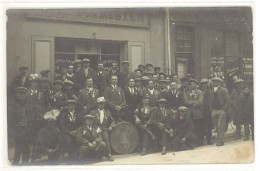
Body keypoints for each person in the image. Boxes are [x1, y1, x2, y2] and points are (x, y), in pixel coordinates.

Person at [57, 99, 83, 164]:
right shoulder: (63, 114)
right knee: (69, 141)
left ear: (74, 106)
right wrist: (69, 132)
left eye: (72, 105)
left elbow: (81, 124)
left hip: (76, 132)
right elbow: (61, 125)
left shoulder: (78, 114)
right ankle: (70, 159)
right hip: (67, 133)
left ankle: (78, 157)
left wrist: (76, 131)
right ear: (67, 106)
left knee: (79, 139)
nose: (71, 107)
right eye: (69, 105)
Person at [9, 87, 31, 165]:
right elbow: (11, 118)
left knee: (27, 148)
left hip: (27, 129)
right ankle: (15, 164)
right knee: (18, 148)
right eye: (20, 94)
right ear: (17, 95)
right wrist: (16, 129)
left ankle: (26, 164)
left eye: (23, 94)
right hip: (18, 129)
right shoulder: (13, 104)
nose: (21, 96)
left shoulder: (27, 103)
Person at [90, 97, 115, 161]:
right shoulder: (93, 112)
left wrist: (111, 126)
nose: (101, 105)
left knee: (106, 138)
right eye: (100, 104)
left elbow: (112, 120)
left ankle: (109, 155)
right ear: (97, 104)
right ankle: (101, 155)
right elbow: (90, 122)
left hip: (104, 129)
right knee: (99, 139)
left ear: (104, 104)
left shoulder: (107, 112)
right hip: (95, 129)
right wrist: (94, 128)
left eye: (102, 104)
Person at [26, 74, 45, 152]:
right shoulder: (27, 92)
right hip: (30, 116)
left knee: (38, 134)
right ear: (30, 83)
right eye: (33, 82)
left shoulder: (41, 93)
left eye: (36, 82)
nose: (35, 84)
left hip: (39, 117)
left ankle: (35, 152)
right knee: (30, 134)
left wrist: (42, 115)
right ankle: (28, 152)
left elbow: (42, 105)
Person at [210, 77, 230, 146]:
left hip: (221, 110)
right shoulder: (212, 90)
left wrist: (224, 109)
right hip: (214, 110)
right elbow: (211, 100)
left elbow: (227, 100)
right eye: (214, 82)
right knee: (216, 126)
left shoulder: (224, 90)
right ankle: (219, 140)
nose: (214, 83)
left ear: (219, 83)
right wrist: (211, 109)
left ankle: (221, 141)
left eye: (216, 82)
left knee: (221, 126)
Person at [184, 79, 204, 146]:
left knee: (199, 127)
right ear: (189, 86)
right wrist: (194, 102)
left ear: (196, 85)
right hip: (190, 113)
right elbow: (186, 102)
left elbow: (200, 102)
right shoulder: (188, 93)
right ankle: (194, 142)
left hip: (198, 113)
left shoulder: (200, 92)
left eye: (194, 84)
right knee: (192, 128)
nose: (192, 85)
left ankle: (200, 141)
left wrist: (192, 103)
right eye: (191, 84)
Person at [200, 78, 213, 145]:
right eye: (203, 83)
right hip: (201, 110)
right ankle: (201, 139)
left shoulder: (210, 91)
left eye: (205, 83)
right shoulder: (199, 91)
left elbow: (211, 100)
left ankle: (209, 139)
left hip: (208, 110)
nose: (204, 85)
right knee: (201, 125)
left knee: (209, 126)